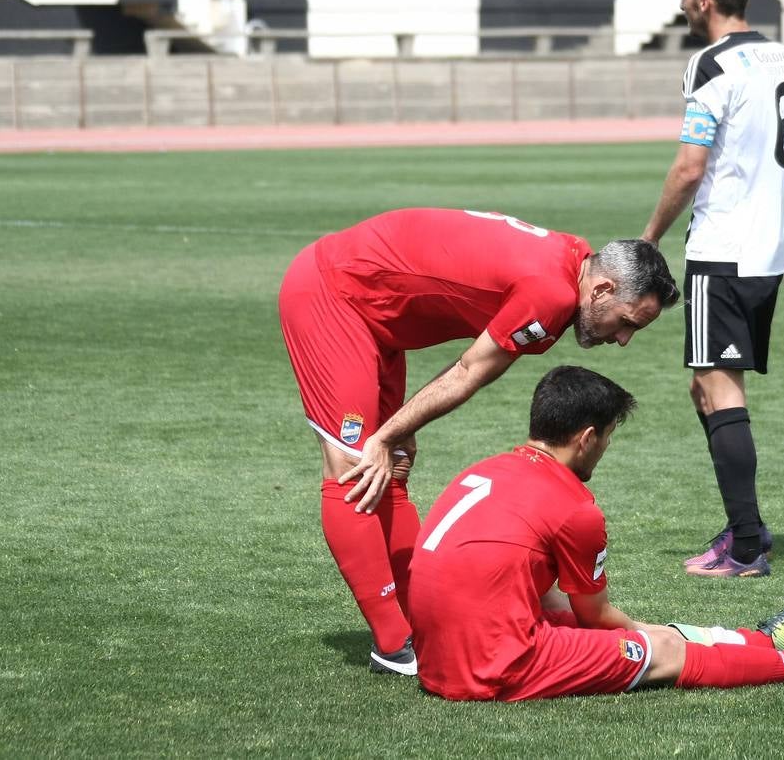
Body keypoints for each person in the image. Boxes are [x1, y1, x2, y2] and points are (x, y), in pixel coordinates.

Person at [278, 208, 680, 676]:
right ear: (603, 289)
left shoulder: (573, 257)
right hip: (334, 293)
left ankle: (415, 621)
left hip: (377, 317)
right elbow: (470, 370)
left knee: (393, 467)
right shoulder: (551, 293)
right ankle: (393, 645)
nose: (625, 338)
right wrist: (387, 435)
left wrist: (399, 432)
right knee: (352, 464)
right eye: (627, 321)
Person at [407, 364, 784, 700]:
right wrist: (652, 637)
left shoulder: (486, 470)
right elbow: (596, 617)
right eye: (609, 436)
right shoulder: (575, 507)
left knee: (601, 628)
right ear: (587, 438)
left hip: (438, 659)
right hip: (493, 669)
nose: (606, 448)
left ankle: (755, 642)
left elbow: (549, 600)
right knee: (665, 651)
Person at [641, 0, 784, 578]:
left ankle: (747, 544)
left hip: (719, 252)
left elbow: (690, 167)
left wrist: (649, 238)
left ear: (703, 0)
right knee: (709, 386)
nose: (681, 3)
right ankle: (741, 525)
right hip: (768, 254)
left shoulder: (709, 65)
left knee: (718, 391)